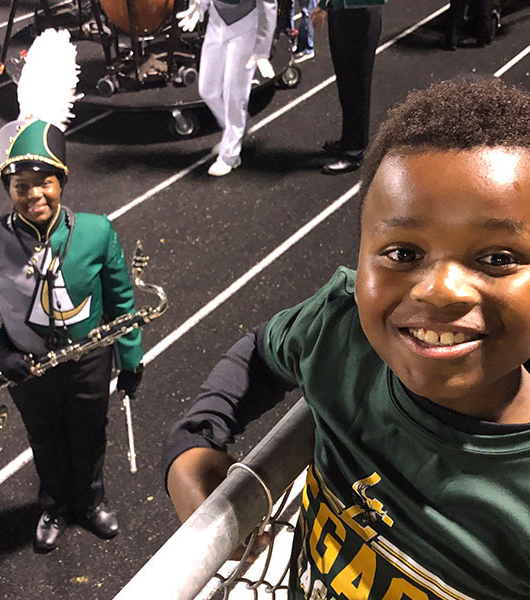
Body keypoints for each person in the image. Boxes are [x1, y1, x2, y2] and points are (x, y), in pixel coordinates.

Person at [163, 78, 530, 599]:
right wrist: (193, 441)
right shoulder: (341, 329)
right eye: (403, 253)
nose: (440, 290)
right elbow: (260, 354)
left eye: (497, 258)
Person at [0, 118, 144, 553]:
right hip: (27, 367)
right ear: (8, 189)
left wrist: (131, 357)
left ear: (62, 181)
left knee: (90, 434)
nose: (34, 195)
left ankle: (91, 501)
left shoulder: (97, 231)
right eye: (20, 186)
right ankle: (54, 506)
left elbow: (120, 299)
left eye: (44, 183)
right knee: (45, 440)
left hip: (90, 360)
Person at [176, 0, 277, 176]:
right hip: (216, 23)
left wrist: (261, 50)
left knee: (235, 96)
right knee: (207, 90)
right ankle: (237, 129)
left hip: (246, 27)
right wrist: (198, 5)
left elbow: (268, 5)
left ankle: (230, 154)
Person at [311, 0, 385, 175]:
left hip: (359, 11)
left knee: (356, 83)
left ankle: (354, 151)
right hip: (342, 10)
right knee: (346, 81)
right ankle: (349, 140)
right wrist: (324, 5)